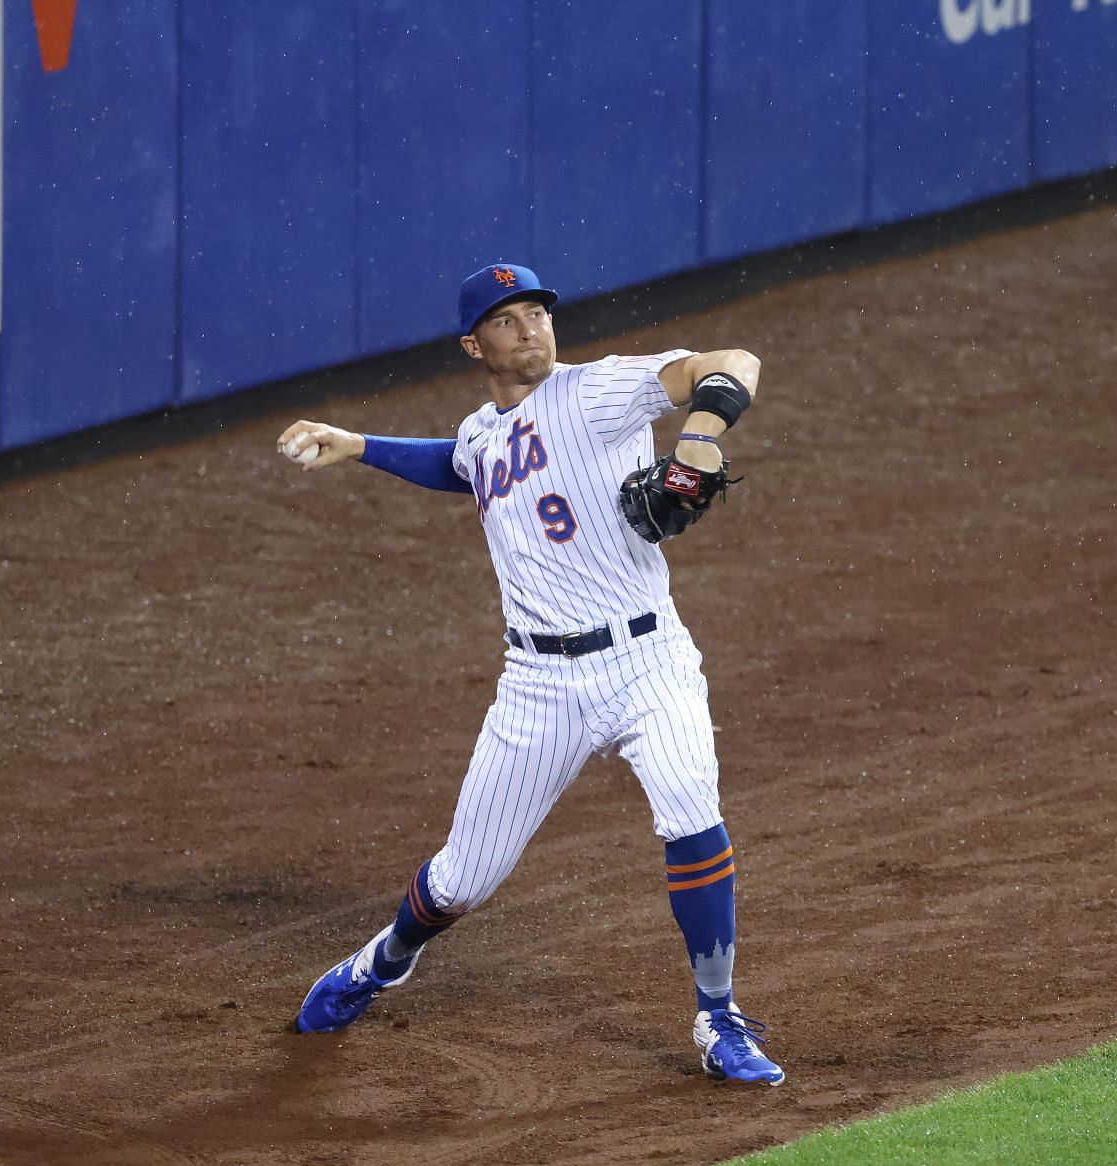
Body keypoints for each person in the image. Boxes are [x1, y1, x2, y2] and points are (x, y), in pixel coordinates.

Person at [276, 263, 782, 1085]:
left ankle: (719, 1018)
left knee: (692, 810)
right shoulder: (482, 431)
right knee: (459, 882)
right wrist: (359, 445)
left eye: (539, 313)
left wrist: (696, 437)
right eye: (509, 321)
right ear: (475, 344)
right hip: (537, 685)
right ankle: (385, 960)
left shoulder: (600, 391)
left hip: (647, 658)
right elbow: (462, 464)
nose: (532, 329)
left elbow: (733, 362)